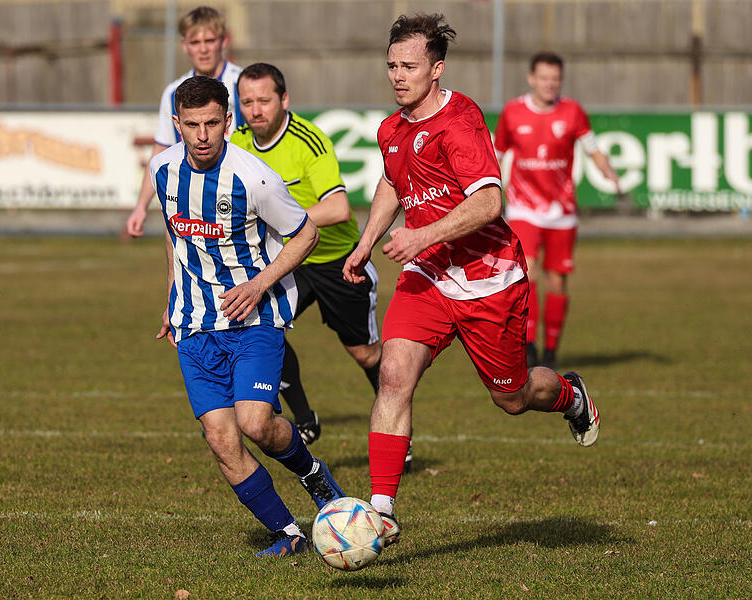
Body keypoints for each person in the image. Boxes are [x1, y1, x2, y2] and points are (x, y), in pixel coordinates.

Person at [342, 14, 600, 547]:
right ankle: (381, 511)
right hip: (429, 278)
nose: (396, 75)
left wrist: (419, 236)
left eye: (408, 66)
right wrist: (369, 240)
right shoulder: (392, 128)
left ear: (437, 69)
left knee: (513, 397)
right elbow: (394, 181)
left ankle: (570, 395)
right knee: (394, 373)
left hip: (489, 280)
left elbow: (488, 202)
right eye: (391, 64)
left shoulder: (460, 121)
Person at [150, 75, 344, 557]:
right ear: (177, 123)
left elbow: (305, 235)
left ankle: (312, 473)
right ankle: (288, 533)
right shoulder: (162, 170)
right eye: (191, 124)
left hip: (256, 320)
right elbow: (177, 238)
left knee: (256, 424)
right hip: (195, 326)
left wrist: (259, 284)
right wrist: (174, 298)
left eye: (211, 123)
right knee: (220, 438)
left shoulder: (255, 178)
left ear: (227, 121)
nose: (201, 135)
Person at [230, 63, 409, 464]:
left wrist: (282, 217)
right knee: (262, 330)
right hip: (286, 262)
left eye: (264, 100)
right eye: (247, 102)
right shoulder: (236, 142)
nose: (255, 110)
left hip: (335, 261)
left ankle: (397, 429)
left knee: (364, 354)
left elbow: (339, 208)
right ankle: (305, 419)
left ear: (284, 100)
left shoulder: (309, 140)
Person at [493, 52, 620, 370]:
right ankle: (530, 345)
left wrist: (610, 173)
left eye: (555, 78)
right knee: (528, 273)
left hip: (562, 211)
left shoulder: (573, 112)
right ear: (531, 78)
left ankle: (551, 350)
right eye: (544, 77)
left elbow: (592, 149)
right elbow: (495, 154)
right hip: (523, 209)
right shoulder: (512, 112)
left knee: (557, 284)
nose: (550, 84)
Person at [126, 5, 244, 238]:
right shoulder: (173, 93)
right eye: (195, 42)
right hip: (194, 197)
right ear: (184, 46)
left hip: (240, 192)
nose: (203, 49)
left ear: (223, 41)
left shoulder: (244, 83)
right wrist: (140, 207)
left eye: (209, 40)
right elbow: (161, 150)